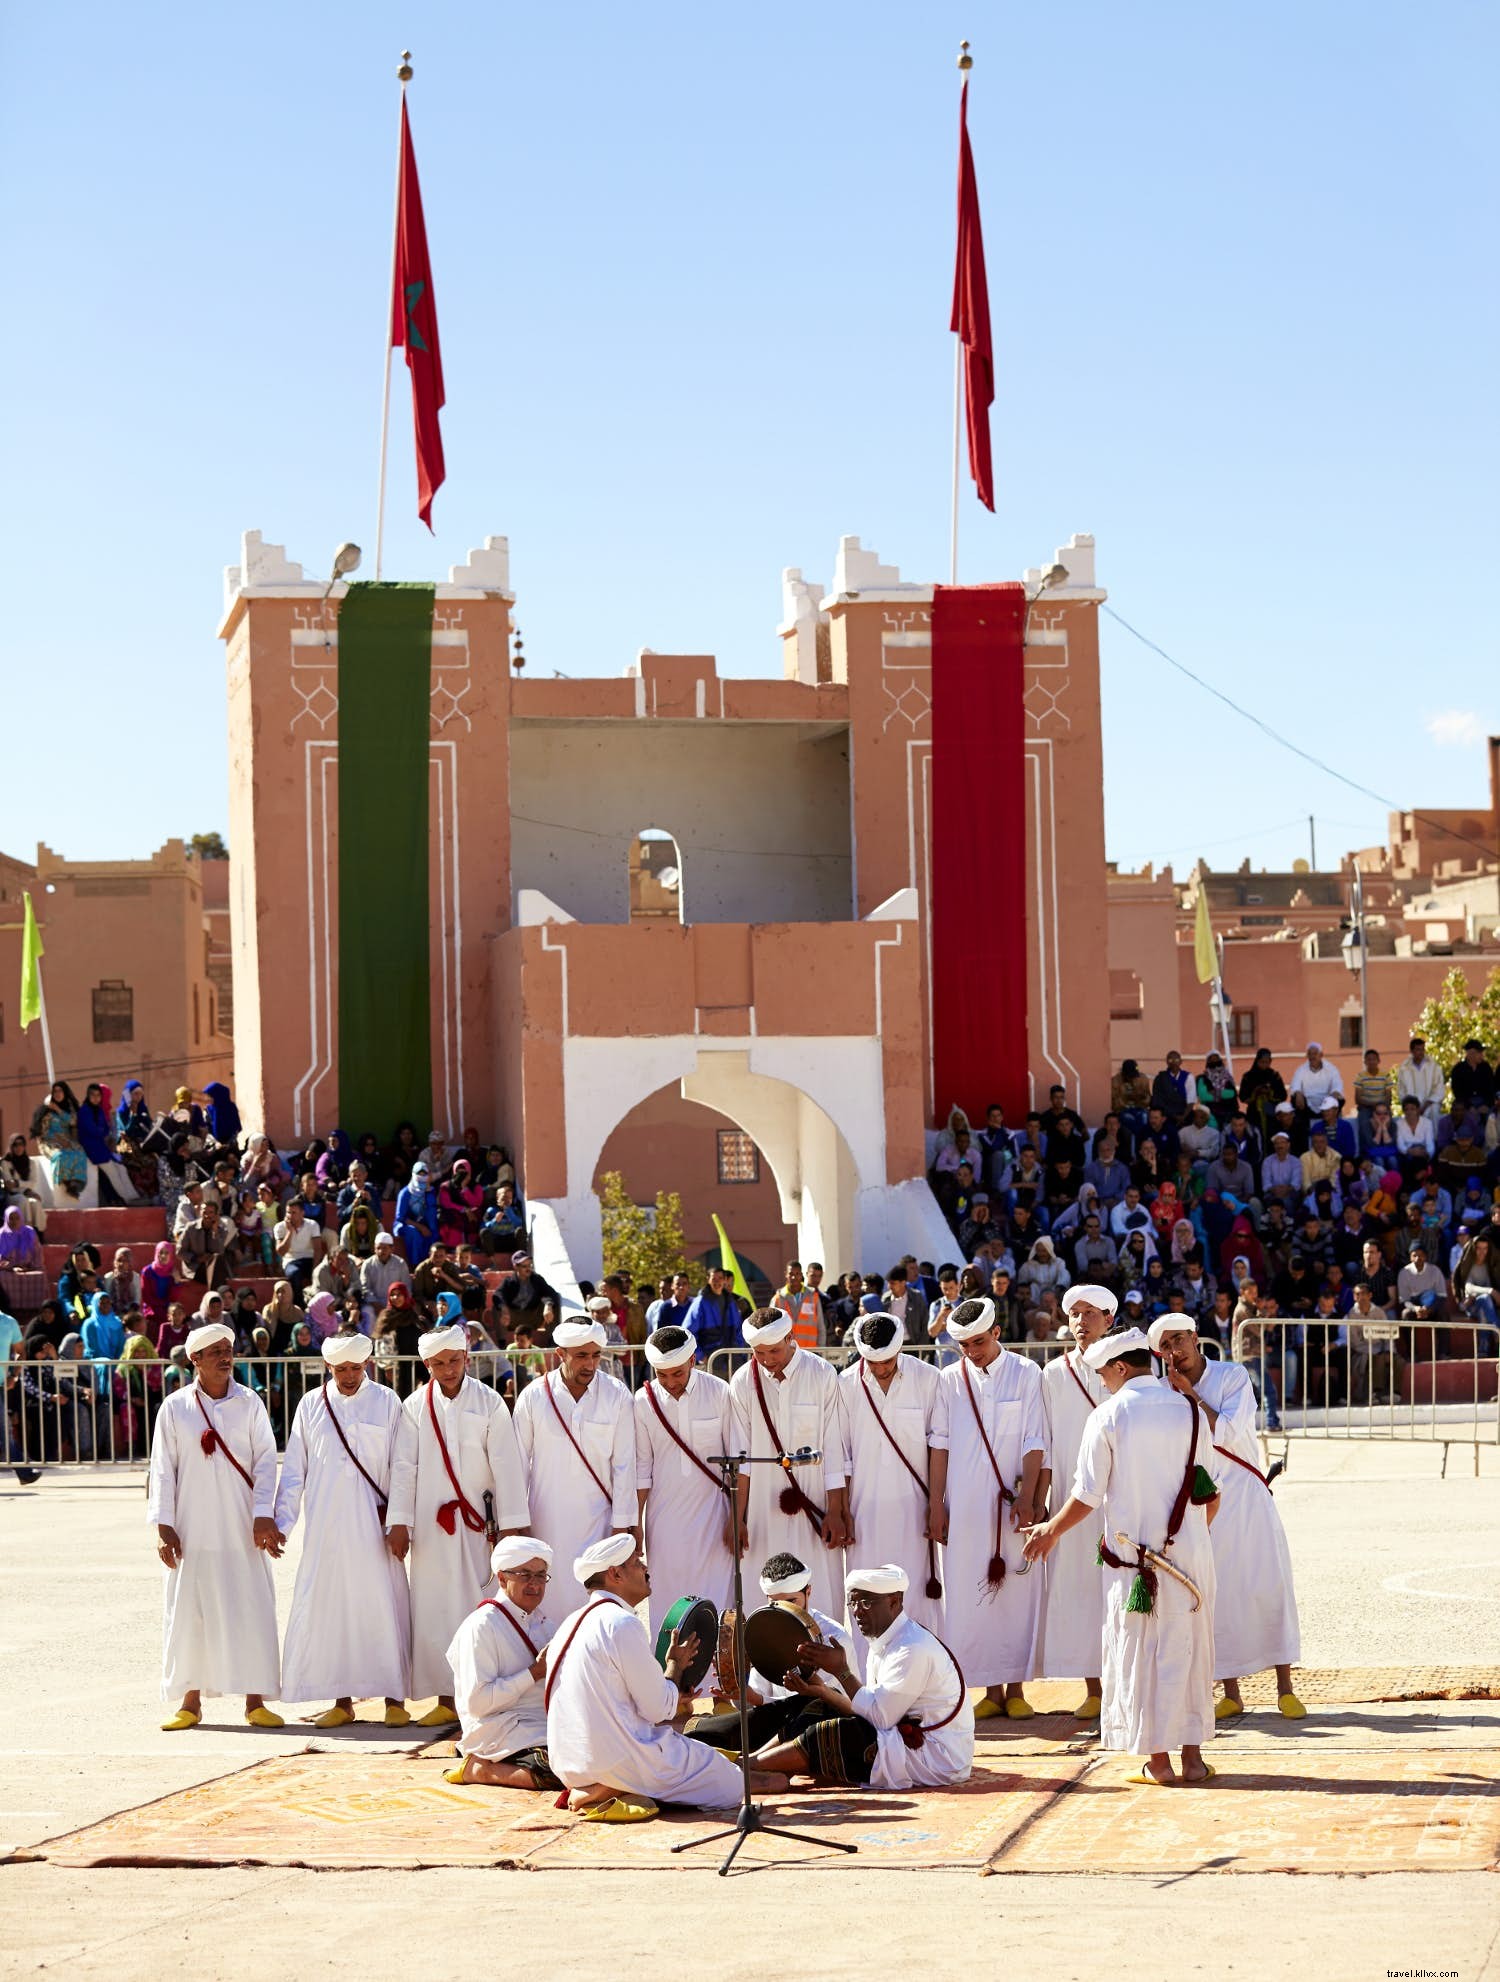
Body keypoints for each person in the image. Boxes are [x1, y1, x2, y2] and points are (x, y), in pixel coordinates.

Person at [1022, 1326, 1220, 1786]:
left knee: (1141, 1652)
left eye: (1103, 1377)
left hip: (1135, 1567)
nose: (1102, 1386)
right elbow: (1209, 1493)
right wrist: (1185, 1543)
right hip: (1191, 1559)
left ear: (1119, 1367)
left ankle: (1160, 1763)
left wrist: (1051, 1530)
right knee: (1186, 1651)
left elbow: (1087, 1495)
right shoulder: (1191, 1411)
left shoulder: (1109, 1415)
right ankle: (1192, 1760)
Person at [1149, 1317, 1304, 1721]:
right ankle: (1231, 1691)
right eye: (1165, 1345)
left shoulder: (1232, 1375)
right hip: (1203, 1502)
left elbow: (1231, 1433)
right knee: (1216, 1594)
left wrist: (1192, 1396)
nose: (1174, 1350)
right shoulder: (1163, 1392)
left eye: (1179, 1339)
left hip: (1247, 1497)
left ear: (1195, 1338)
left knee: (1266, 1586)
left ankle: (1285, 1687)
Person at [543, 1532, 757, 1819]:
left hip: (569, 1763)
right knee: (731, 1783)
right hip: (614, 1759)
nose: (645, 1568)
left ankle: (613, 1785)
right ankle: (612, 1786)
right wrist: (674, 1666)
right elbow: (656, 1709)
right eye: (636, 1563)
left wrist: (672, 1691)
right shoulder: (620, 1622)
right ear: (615, 1574)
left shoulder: (570, 1622)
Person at [384, 1320, 530, 1727]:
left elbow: (507, 1466)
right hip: (431, 1524)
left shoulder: (489, 1403)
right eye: (438, 1363)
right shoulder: (413, 1406)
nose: (448, 1369)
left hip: (481, 1525)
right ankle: (446, 1698)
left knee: (480, 1605)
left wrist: (513, 1525)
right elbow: (404, 1468)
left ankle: (486, 1693)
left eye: (454, 1360)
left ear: (466, 1357)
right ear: (427, 1364)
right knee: (432, 1607)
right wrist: (400, 1522)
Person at [272, 1327, 417, 1728]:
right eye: (340, 1369)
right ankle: (342, 1700)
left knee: (382, 1608)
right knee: (335, 1610)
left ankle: (394, 1698)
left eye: (355, 1367)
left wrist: (401, 1520)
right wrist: (282, 1522)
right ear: (328, 1366)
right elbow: (295, 1470)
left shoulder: (387, 1402)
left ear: (367, 1364)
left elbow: (402, 1467)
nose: (349, 1376)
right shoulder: (311, 1405)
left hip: (375, 1525)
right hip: (327, 1529)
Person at [147, 1320, 284, 1730]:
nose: (226, 1357)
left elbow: (265, 1460)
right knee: (192, 1611)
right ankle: (190, 1702)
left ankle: (254, 1701)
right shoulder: (175, 1407)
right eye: (216, 1352)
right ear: (195, 1360)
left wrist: (264, 1513)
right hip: (193, 1526)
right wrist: (163, 1525)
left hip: (242, 1526)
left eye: (229, 1349)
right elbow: (163, 1470)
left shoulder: (250, 1403)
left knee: (250, 1606)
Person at [749, 1563, 975, 1791]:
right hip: (898, 1738)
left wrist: (841, 1671)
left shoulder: (911, 1648)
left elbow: (879, 1719)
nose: (857, 1611)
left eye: (866, 1602)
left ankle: (744, 1770)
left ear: (894, 1602)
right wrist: (823, 1692)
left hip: (934, 1758)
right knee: (819, 1707)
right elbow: (867, 1709)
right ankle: (756, 1765)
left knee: (834, 1733)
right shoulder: (885, 1640)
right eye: (853, 1602)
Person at [932, 1296, 1046, 1720]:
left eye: (978, 1342)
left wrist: (1029, 1496)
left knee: (1015, 1592)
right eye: (964, 1345)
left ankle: (1015, 1689)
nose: (972, 1352)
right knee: (968, 1594)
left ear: (997, 1333)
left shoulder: (1026, 1372)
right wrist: (937, 1504)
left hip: (1014, 1505)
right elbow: (939, 1443)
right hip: (963, 1503)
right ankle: (987, 1689)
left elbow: (1035, 1438)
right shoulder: (948, 1380)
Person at [728, 1306, 850, 1619]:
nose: (767, 1359)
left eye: (774, 1350)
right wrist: (738, 1517)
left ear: (790, 1337)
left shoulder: (821, 1373)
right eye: (759, 1352)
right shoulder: (743, 1381)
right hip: (761, 1512)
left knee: (820, 1595)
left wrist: (835, 1512)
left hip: (814, 1505)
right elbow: (742, 1459)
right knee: (761, 1593)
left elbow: (834, 1447)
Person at [512, 1314, 637, 1618]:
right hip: (545, 1521)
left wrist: (621, 1525)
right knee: (549, 1603)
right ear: (560, 1354)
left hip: (600, 1522)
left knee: (596, 1604)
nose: (590, 1364)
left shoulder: (617, 1395)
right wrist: (519, 1521)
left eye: (596, 1355)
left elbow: (625, 1464)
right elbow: (516, 1464)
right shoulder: (533, 1396)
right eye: (581, 1355)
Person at [837, 1311, 945, 1654]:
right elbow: (841, 1454)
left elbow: (939, 1443)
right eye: (872, 1361)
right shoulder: (845, 1384)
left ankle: (919, 1681)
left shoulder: (928, 1378)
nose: (880, 1368)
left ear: (900, 1349)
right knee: (864, 1597)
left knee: (913, 1597)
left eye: (886, 1361)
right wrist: (841, 1510)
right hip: (862, 1511)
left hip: (915, 1512)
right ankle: (867, 1689)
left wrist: (937, 1505)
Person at [1032, 1284, 1112, 1718]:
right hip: (1072, 1498)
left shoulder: (1129, 1368)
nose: (1081, 1320)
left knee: (1121, 1589)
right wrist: (1043, 1502)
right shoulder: (1053, 1374)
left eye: (1090, 1312)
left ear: (1109, 1319)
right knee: (1080, 1589)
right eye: (1075, 1313)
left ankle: (1125, 1681)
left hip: (1120, 1497)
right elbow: (1044, 1444)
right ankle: (1094, 1688)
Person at [633, 1324, 733, 1644]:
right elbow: (641, 1469)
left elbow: (735, 1465)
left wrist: (737, 1519)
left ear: (693, 1360)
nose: (670, 1383)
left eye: (676, 1373)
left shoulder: (720, 1393)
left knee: (716, 1602)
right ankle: (669, 1688)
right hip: (664, 1522)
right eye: (662, 1375)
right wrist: (636, 1526)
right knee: (667, 1603)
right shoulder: (642, 1402)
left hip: (715, 1517)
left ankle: (718, 1686)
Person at [444, 1536, 561, 1788]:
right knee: (560, 1771)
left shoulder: (544, 1624)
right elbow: (478, 1703)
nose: (535, 1584)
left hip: (541, 1724)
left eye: (541, 1576)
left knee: (605, 1755)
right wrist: (533, 1673)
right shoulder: (482, 1626)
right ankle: (480, 1769)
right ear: (502, 1578)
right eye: (525, 1574)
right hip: (499, 1729)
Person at [684, 1264, 743, 1361]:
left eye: (720, 1278)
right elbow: (688, 1332)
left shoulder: (730, 1301)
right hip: (711, 1359)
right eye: (714, 1278)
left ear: (725, 1280)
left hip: (732, 1359)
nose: (717, 1281)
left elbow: (738, 1329)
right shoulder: (700, 1302)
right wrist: (700, 1356)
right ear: (708, 1279)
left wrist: (740, 1352)